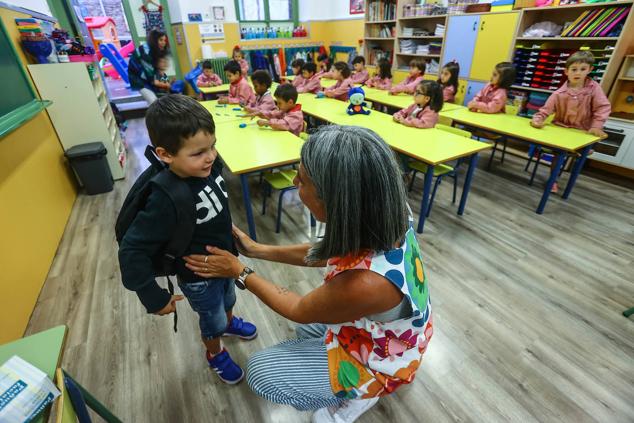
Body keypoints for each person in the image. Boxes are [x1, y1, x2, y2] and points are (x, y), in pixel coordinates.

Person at [183, 125, 433, 423]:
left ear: (334, 199)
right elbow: (332, 249)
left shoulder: (368, 283)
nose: (293, 181)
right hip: (379, 329)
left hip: (384, 357)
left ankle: (361, 392)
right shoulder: (386, 210)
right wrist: (258, 249)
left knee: (262, 374)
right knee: (307, 335)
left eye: (301, 180)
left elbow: (300, 309)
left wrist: (239, 270)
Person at [118, 95, 257, 385]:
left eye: (212, 146)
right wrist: (151, 295)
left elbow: (215, 203)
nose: (211, 156)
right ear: (166, 154)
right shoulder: (165, 197)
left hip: (226, 264)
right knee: (211, 320)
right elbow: (133, 248)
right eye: (198, 153)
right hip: (198, 276)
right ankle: (214, 353)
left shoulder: (209, 168)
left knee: (229, 300)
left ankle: (229, 323)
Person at [530, 51, 611, 193]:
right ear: (566, 71)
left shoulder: (594, 89)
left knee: (582, 151)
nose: (578, 73)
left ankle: (580, 151)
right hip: (560, 129)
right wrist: (537, 120)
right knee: (559, 154)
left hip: (582, 130)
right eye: (574, 69)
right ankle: (553, 179)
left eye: (583, 69)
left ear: (590, 70)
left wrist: (597, 126)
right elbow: (544, 111)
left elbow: (603, 107)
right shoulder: (558, 93)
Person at [128, 29, 171, 104]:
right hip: (139, 80)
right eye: (161, 40)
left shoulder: (155, 51)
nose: (163, 43)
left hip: (148, 79)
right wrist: (167, 85)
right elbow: (153, 80)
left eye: (165, 40)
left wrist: (165, 81)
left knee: (157, 102)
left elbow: (158, 72)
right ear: (154, 40)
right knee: (154, 102)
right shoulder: (145, 52)